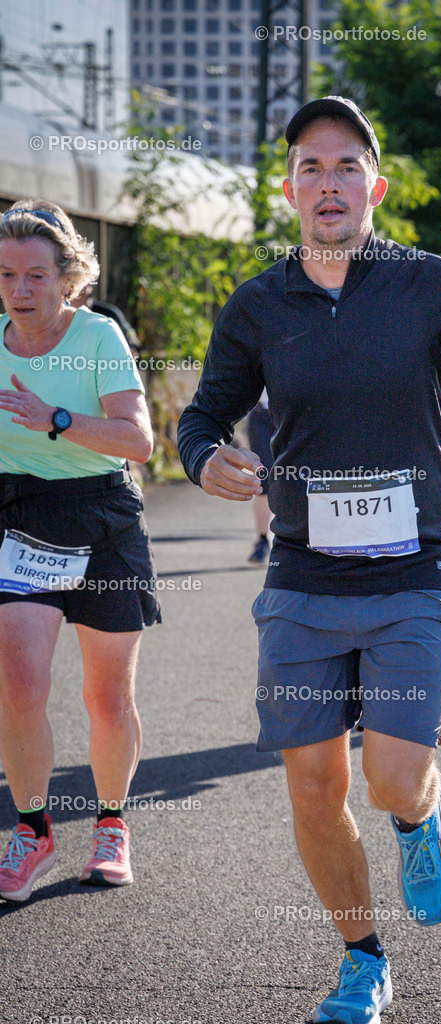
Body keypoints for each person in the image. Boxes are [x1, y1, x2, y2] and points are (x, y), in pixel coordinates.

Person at [177, 97, 441, 1023]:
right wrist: (207, 461)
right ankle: (361, 960)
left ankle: (420, 820)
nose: (327, 183)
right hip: (305, 574)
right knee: (314, 784)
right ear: (288, 190)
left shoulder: (430, 285)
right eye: (310, 168)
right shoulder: (260, 301)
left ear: (374, 187)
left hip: (408, 570)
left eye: (345, 166)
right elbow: (200, 416)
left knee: (391, 776)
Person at [0, 200, 161, 903]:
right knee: (18, 683)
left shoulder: (97, 337)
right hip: (18, 518)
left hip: (101, 517)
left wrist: (56, 419)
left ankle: (111, 824)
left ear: (68, 277)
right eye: (7, 275)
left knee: (105, 696)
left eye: (36, 275)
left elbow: (138, 442)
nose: (21, 289)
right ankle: (32, 831)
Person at [245, 390, 274, 564]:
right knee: (263, 474)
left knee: (298, 474)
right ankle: (263, 540)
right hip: (261, 414)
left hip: (296, 412)